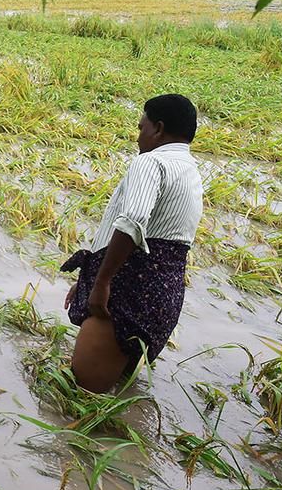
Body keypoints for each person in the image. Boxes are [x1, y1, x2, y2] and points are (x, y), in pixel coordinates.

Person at [61, 94, 203, 394]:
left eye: (142, 128)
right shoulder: (190, 170)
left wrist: (102, 283)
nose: (139, 137)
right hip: (161, 300)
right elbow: (163, 242)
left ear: (158, 129)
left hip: (126, 294)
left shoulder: (151, 161)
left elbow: (132, 222)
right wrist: (89, 278)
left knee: (78, 397)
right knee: (117, 400)